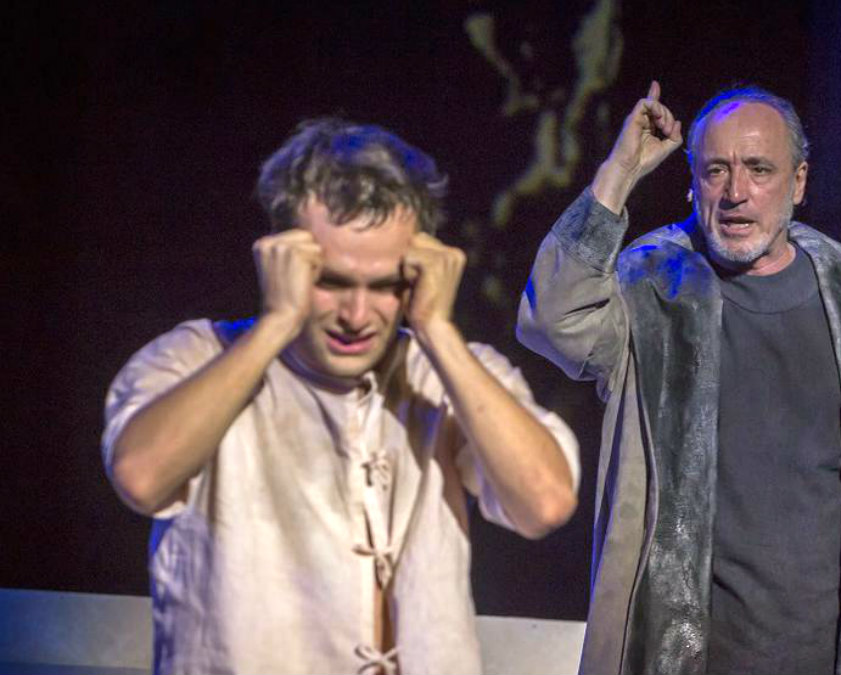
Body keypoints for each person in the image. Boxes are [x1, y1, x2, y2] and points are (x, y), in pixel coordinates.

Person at [102, 118, 580, 675]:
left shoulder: (445, 371)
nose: (357, 316)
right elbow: (141, 477)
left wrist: (438, 331)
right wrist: (278, 320)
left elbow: (544, 503)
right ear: (281, 259)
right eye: (331, 281)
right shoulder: (195, 357)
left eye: (385, 285)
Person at [518, 82, 841, 675]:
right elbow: (552, 318)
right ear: (693, 181)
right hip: (678, 656)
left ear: (799, 182)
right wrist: (619, 171)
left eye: (760, 169)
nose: (736, 193)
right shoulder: (651, 287)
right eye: (716, 170)